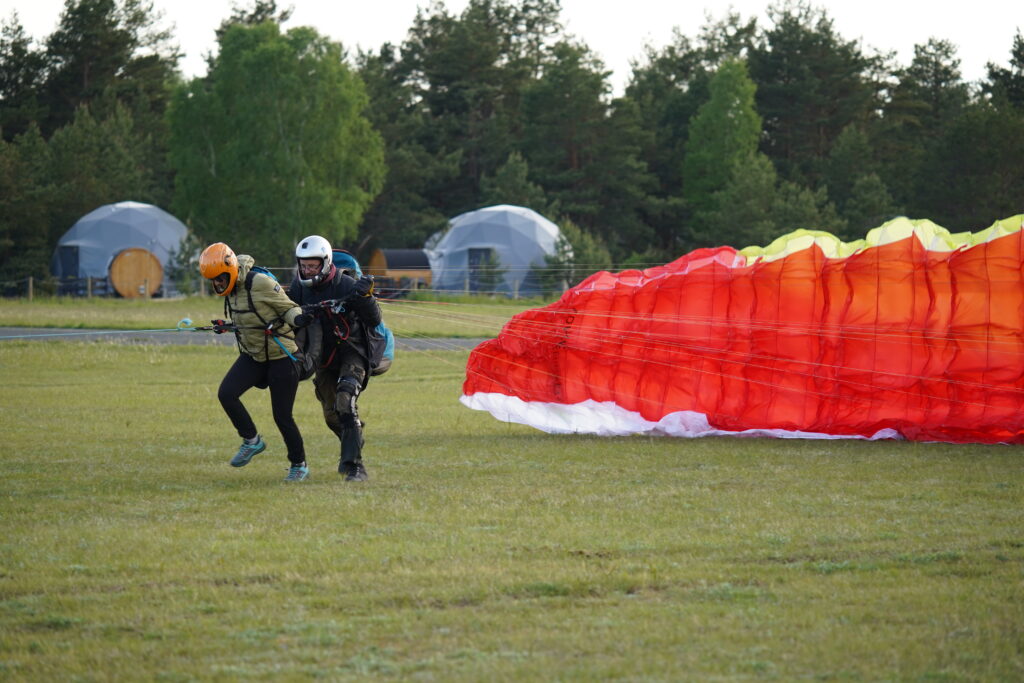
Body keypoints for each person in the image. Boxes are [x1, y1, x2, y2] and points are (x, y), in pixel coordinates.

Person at [198, 242, 315, 482]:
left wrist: (300, 319)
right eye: (213, 281)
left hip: (283, 356)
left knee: (282, 416)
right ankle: (252, 440)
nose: (218, 284)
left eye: (220, 278)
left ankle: (299, 464)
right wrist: (227, 326)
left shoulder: (259, 282)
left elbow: (288, 308)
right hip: (254, 355)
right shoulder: (230, 290)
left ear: (230, 270)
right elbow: (249, 317)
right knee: (226, 393)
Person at [288, 235, 385, 481]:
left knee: (345, 400)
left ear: (326, 262)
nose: (307, 270)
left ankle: (355, 467)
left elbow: (374, 320)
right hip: (323, 357)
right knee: (333, 416)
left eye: (312, 265)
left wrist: (365, 297)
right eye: (303, 265)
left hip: (353, 350)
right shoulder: (299, 288)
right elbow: (287, 316)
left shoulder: (345, 285)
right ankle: (353, 437)